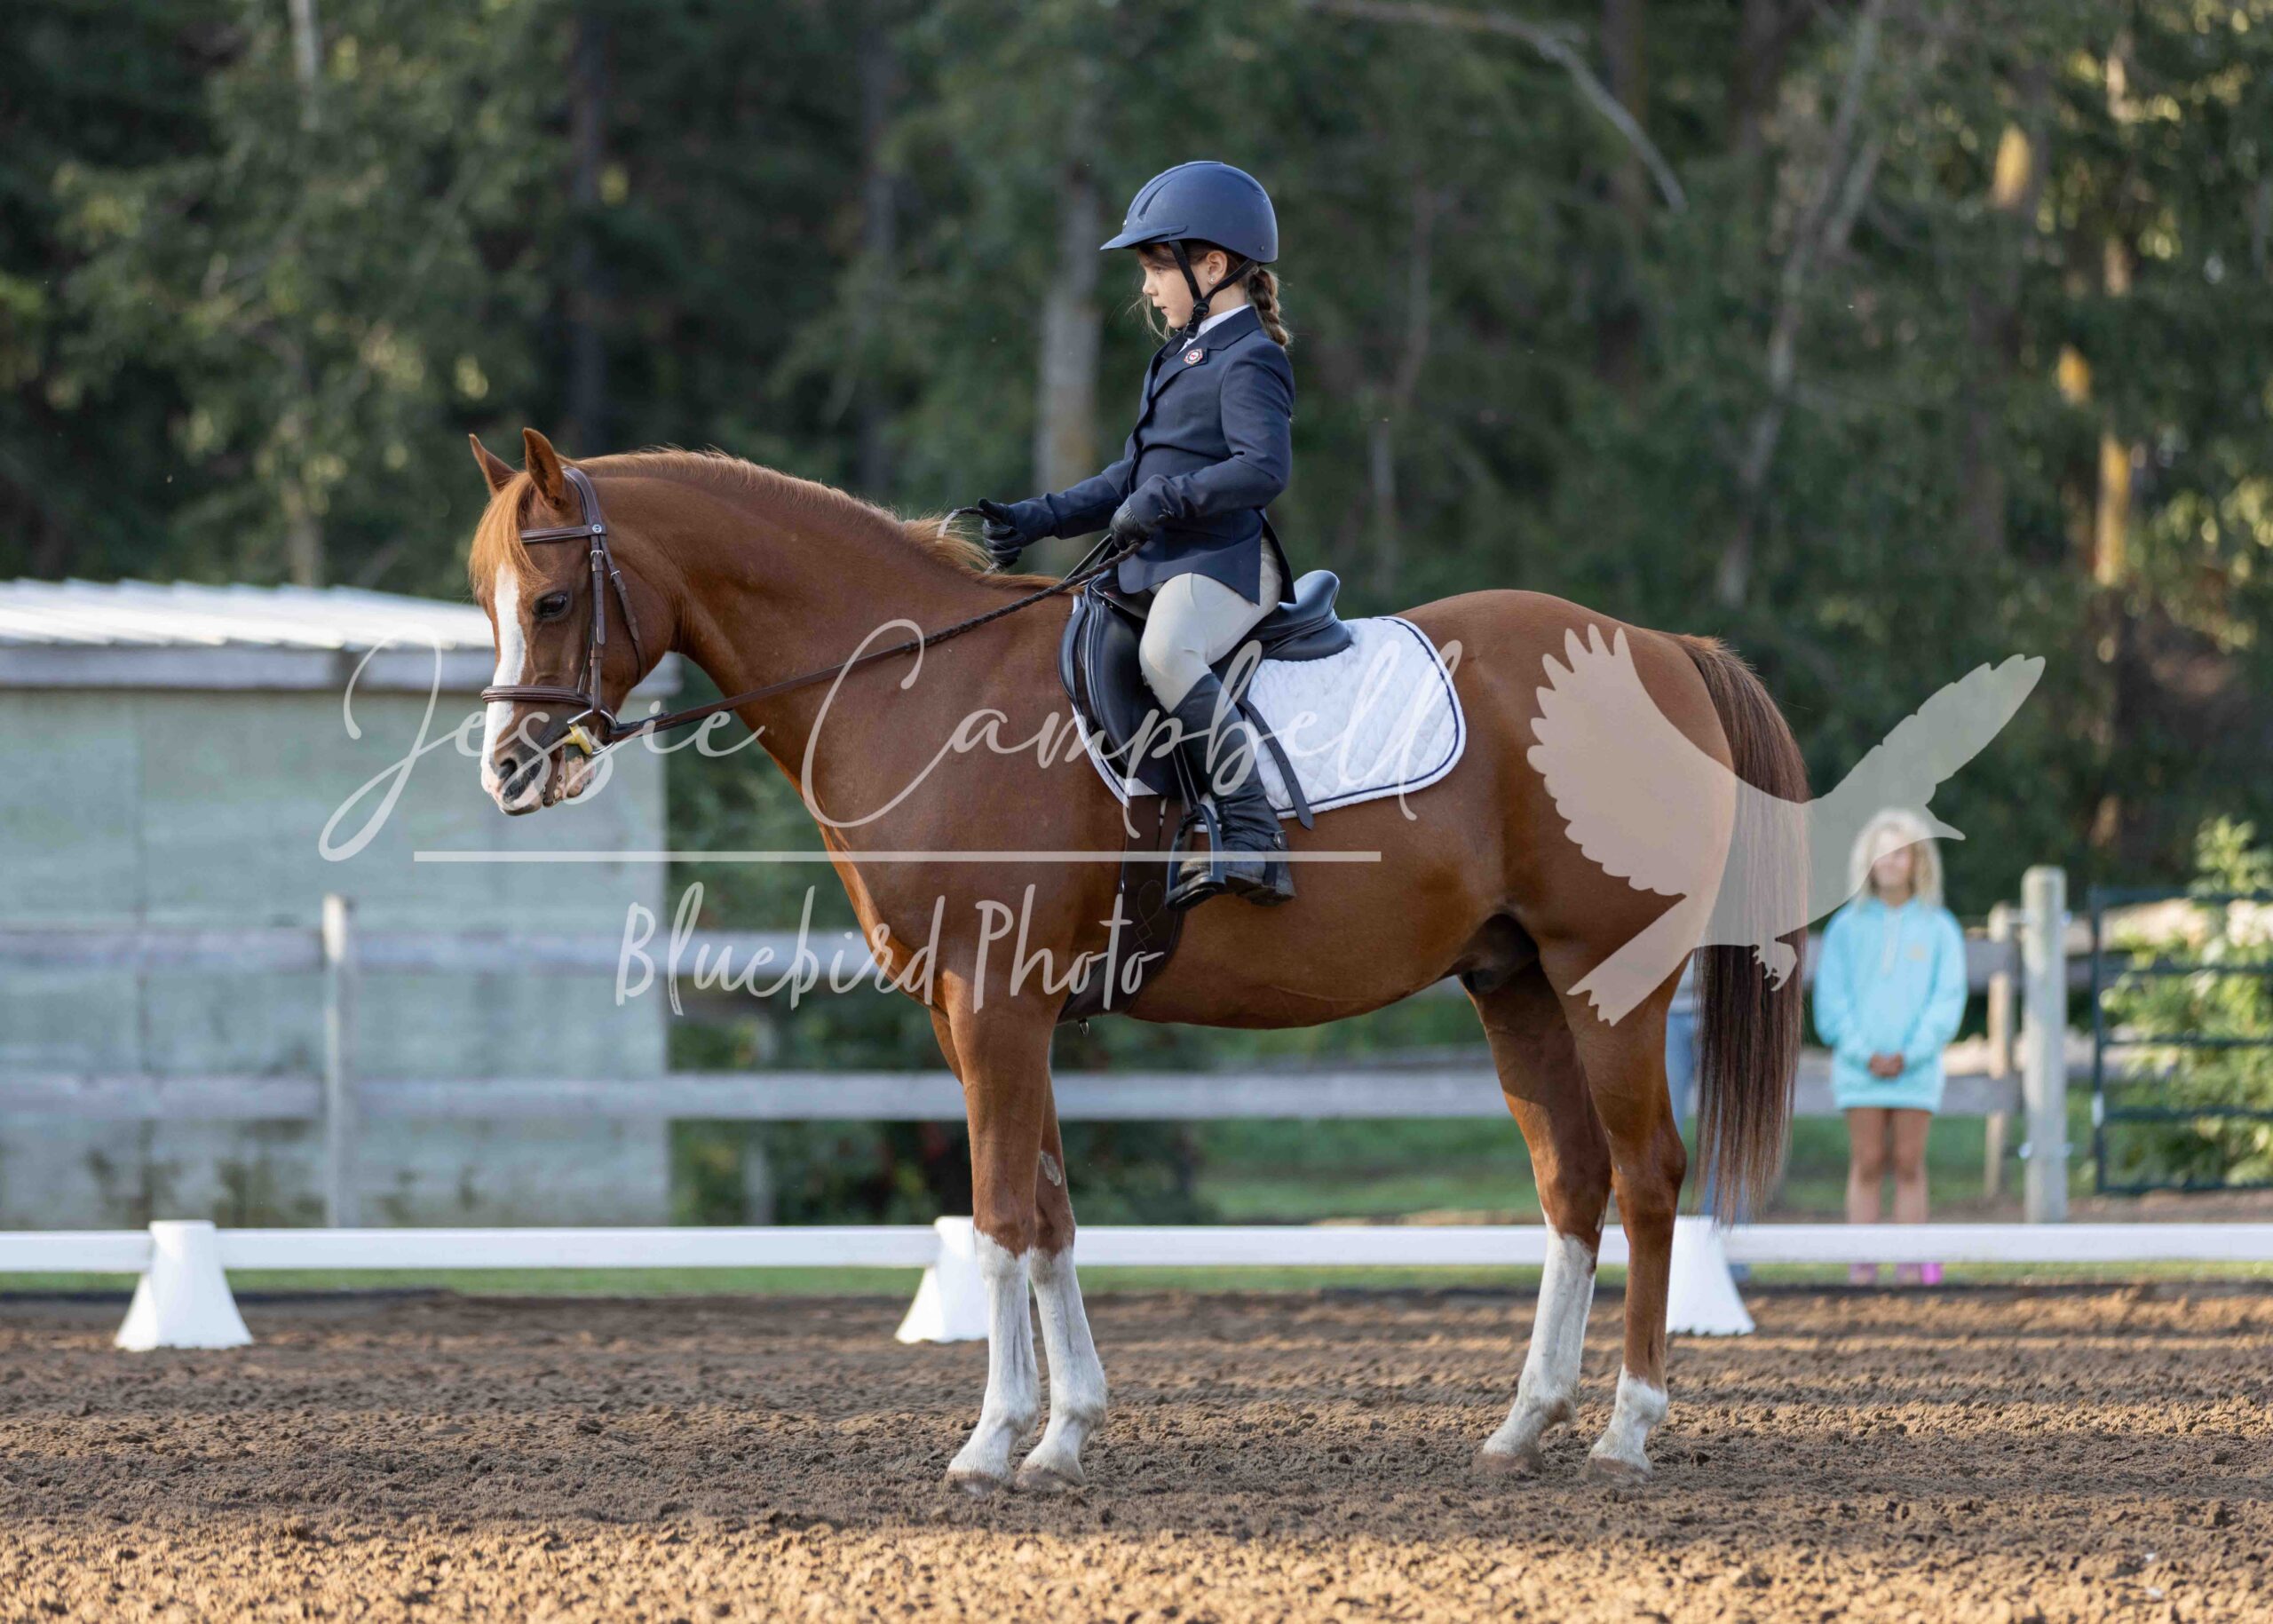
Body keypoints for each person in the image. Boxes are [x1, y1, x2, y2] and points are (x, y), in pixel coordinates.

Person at [970, 160, 1297, 909]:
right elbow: (1132, 476)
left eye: (1156, 268)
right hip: (1168, 561)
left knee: (1165, 653)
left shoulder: (1251, 358)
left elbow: (1263, 469)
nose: (1147, 288)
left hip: (1227, 562)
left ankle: (1255, 836)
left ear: (1213, 266)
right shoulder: (1179, 356)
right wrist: (1039, 517)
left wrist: (1167, 498)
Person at [1811, 808, 1970, 1286]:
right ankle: (1862, 1266)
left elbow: (1947, 999)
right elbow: (1832, 1001)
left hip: (1915, 1070)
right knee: (1867, 1162)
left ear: (1918, 861)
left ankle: (1909, 1265)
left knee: (1908, 1163)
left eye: (1901, 853)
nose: (1891, 862)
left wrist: (1912, 1052)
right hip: (1859, 1070)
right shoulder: (1845, 928)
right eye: (1882, 853)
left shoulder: (1940, 928)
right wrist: (1864, 1052)